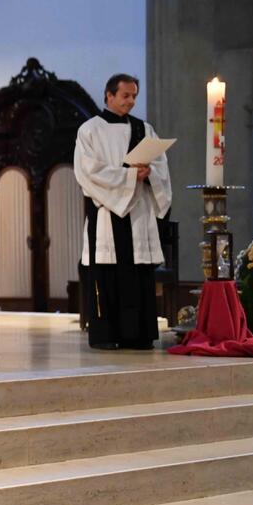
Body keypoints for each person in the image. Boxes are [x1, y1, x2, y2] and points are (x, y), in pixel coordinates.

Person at [74, 74, 172, 350]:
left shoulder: (144, 129)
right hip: (106, 214)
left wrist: (149, 173)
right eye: (125, 95)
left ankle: (138, 335)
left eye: (134, 96)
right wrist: (129, 177)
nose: (131, 101)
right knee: (108, 275)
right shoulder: (90, 130)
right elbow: (88, 172)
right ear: (109, 95)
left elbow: (161, 169)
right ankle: (107, 335)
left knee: (138, 275)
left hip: (138, 214)